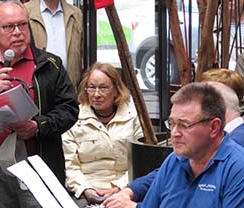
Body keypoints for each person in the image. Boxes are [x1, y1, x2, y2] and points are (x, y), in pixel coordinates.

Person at [0, 0, 79, 207]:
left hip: (38, 165)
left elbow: (70, 110)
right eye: (9, 27)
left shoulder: (50, 64)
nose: (18, 32)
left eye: (23, 25)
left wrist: (37, 126)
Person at [104, 68, 244, 208]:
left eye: (184, 125)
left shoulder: (237, 168)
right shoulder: (174, 161)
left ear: (214, 127)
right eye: (172, 123)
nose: (175, 133)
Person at [62, 62, 143, 207]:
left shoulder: (133, 117)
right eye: (91, 88)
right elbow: (70, 165)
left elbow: (139, 163)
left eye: (104, 88)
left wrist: (120, 188)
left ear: (116, 90)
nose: (96, 94)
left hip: (125, 189)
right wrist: (86, 189)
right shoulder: (74, 119)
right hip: (86, 192)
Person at [24, 0, 83, 87]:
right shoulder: (25, 12)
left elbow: (81, 51)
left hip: (69, 84)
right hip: (37, 85)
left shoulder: (75, 13)